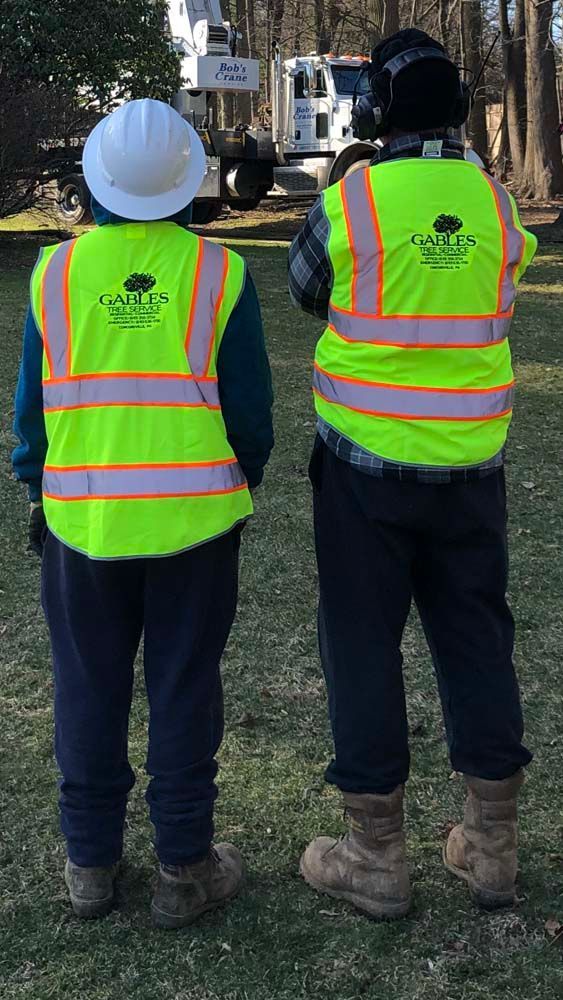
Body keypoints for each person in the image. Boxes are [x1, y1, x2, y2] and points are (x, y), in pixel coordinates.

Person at [288, 29, 537, 919]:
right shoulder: (497, 204)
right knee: (475, 641)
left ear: (376, 112)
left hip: (364, 473)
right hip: (470, 470)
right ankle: (491, 848)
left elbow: (305, 288)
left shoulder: (353, 201)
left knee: (360, 643)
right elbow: (499, 293)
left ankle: (374, 854)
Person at [13, 99, 273, 927]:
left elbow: (29, 415)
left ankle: (89, 865)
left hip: (81, 526)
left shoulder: (53, 274)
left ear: (98, 179)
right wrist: (235, 482)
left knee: (87, 691)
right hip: (194, 525)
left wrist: (36, 487)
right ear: (185, 183)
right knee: (184, 690)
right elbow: (252, 417)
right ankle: (183, 867)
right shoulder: (219, 274)